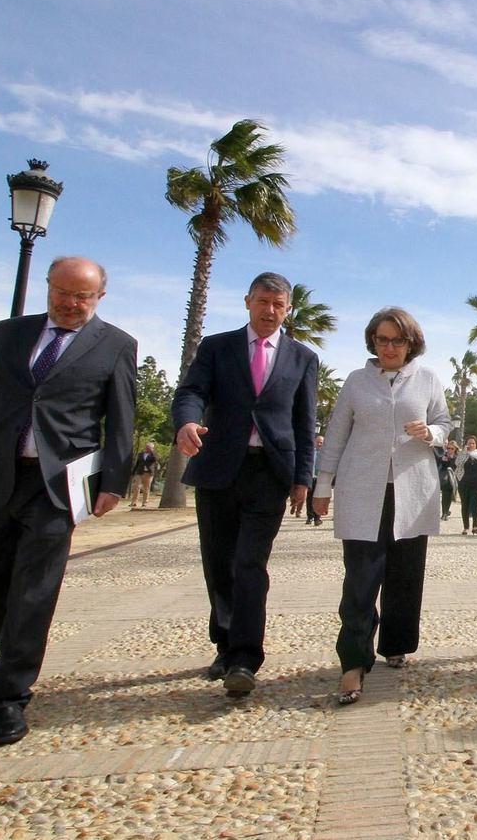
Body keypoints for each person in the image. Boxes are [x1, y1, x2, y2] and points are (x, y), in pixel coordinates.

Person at [0, 255, 136, 746]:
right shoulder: (8, 334)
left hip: (57, 485)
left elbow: (120, 420)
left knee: (34, 589)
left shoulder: (117, 345)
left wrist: (113, 482)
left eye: (82, 295)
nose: (70, 302)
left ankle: (9, 696)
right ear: (48, 288)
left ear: (100, 297)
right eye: (62, 292)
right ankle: (19, 649)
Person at [172, 271, 320, 698]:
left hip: (269, 472)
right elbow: (191, 392)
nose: (270, 310)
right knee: (219, 562)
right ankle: (224, 642)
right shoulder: (217, 347)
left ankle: (244, 657)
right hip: (218, 468)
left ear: (287, 308)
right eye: (263, 301)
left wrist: (302, 478)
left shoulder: (302, 357)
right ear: (247, 302)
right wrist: (185, 421)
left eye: (278, 304)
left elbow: (304, 422)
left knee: (249, 563)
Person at [311, 307, 450, 705]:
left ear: (411, 343)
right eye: (382, 339)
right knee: (360, 580)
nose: (389, 347)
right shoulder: (356, 381)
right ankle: (353, 663)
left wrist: (432, 432)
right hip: (362, 489)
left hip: (412, 489)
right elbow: (336, 433)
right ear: (372, 340)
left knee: (405, 576)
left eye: (397, 340)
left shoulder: (427, 379)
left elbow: (444, 421)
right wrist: (323, 484)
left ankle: (396, 644)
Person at [454, 435, 477, 535]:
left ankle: (475, 526)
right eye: (469, 443)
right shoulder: (463, 455)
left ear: (476, 445)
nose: (471, 445)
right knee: (465, 504)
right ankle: (466, 527)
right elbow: (457, 464)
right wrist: (464, 453)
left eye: (473, 443)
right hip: (464, 483)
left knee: (475, 504)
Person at [130, 443, 160, 507]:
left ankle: (145, 502)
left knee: (146, 488)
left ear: (152, 448)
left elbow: (156, 460)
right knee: (136, 487)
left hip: (148, 473)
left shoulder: (153, 454)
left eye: (149, 447)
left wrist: (152, 452)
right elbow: (137, 464)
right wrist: (132, 473)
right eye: (146, 447)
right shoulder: (141, 454)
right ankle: (134, 501)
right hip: (140, 472)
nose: (147, 448)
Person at [305, 435, 325, 525]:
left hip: (320, 479)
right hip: (311, 477)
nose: (319, 444)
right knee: (309, 498)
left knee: (319, 498)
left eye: (321, 442)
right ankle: (310, 517)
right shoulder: (310, 452)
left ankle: (317, 518)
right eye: (318, 442)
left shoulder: (326, 454)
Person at [436, 440, 458, 518]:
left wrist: (449, 460)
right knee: (445, 496)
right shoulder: (443, 455)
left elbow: (456, 467)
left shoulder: (457, 457)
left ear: (455, 449)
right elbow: (438, 464)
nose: (449, 450)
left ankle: (447, 510)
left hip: (453, 479)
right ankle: (444, 513)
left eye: (452, 448)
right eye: (448, 448)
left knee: (449, 496)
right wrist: (442, 460)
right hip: (444, 478)